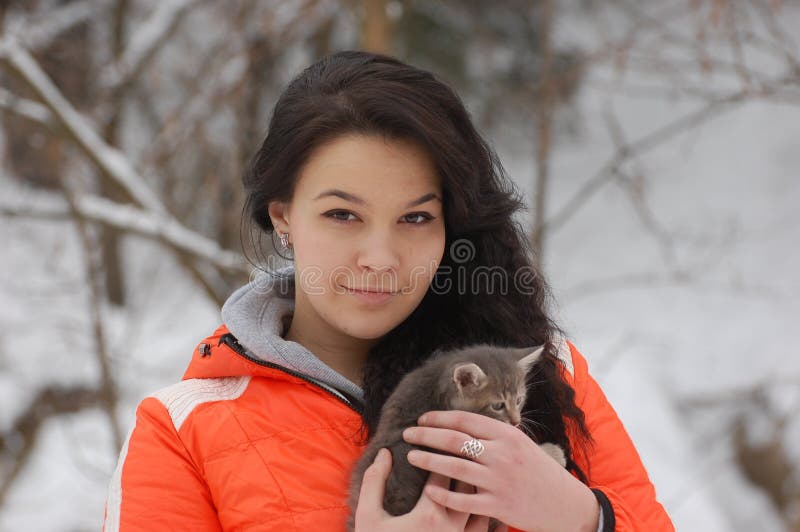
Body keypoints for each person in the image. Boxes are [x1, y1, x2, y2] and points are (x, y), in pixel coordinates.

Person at [102, 50, 674, 532]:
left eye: (415, 218)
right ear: (283, 216)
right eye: (342, 215)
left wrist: (583, 517)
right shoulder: (184, 432)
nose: (380, 258)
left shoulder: (539, 373)